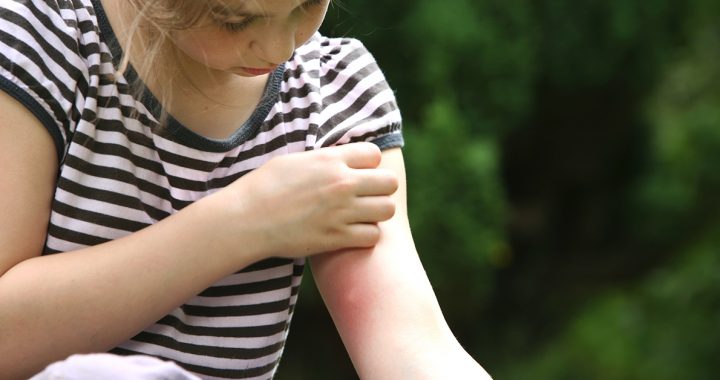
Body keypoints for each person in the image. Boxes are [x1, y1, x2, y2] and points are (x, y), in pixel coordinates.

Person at [0, 0, 491, 379]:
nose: (280, 47)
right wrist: (245, 222)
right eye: (235, 20)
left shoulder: (336, 94)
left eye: (306, 5)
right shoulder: (43, 41)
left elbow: (412, 350)